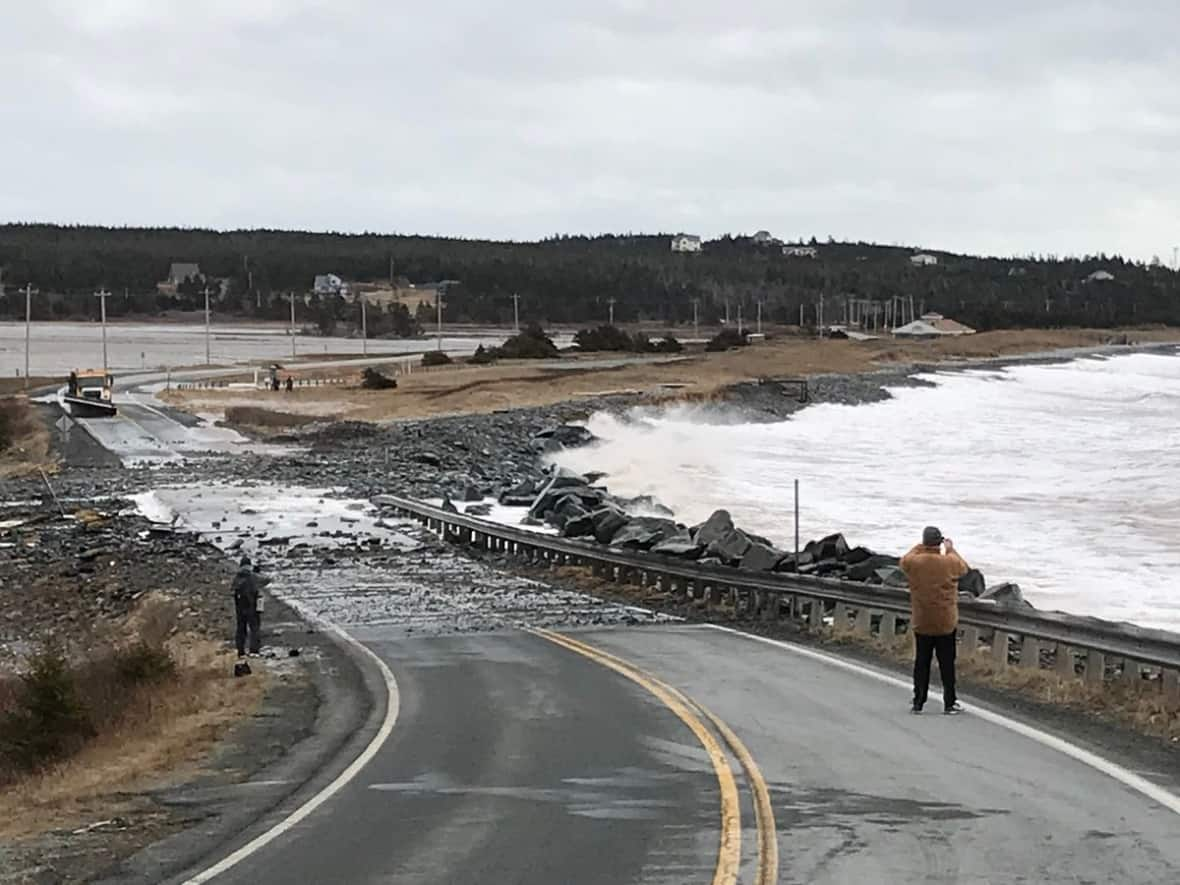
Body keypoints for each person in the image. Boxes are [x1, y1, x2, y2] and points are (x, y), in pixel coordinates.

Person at [900, 526, 969, 715]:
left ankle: (918, 702)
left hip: (922, 620)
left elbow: (904, 560)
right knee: (947, 663)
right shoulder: (948, 562)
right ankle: (949, 702)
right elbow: (964, 567)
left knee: (921, 662)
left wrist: (921, 546)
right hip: (945, 621)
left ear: (923, 542)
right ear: (939, 542)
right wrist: (950, 548)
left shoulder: (915, 562)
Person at [231, 555, 263, 657]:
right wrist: (258, 572)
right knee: (254, 628)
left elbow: (233, 590)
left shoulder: (237, 578)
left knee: (241, 629)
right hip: (252, 606)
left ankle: (240, 651)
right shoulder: (252, 576)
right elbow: (267, 580)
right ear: (249, 566)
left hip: (240, 608)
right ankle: (254, 651)